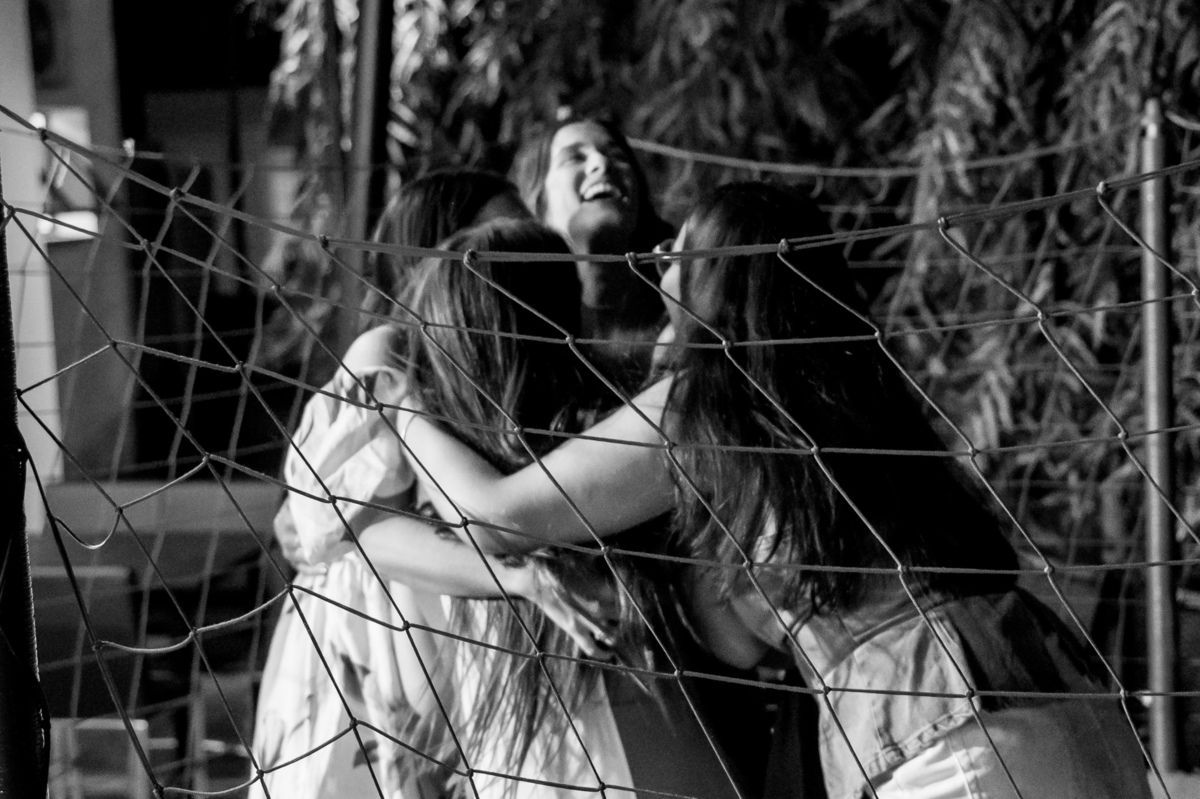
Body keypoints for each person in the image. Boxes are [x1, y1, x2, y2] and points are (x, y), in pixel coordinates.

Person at [391, 182, 1152, 799]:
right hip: (1058, 694)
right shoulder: (849, 383)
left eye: (680, 248)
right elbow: (739, 634)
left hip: (949, 729)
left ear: (718, 277)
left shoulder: (705, 401)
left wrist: (396, 401)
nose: (659, 259)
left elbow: (495, 516)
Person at [511, 115, 674, 390]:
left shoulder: (685, 300)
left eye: (617, 156)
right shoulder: (523, 330)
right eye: (574, 158)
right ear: (537, 202)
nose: (602, 163)